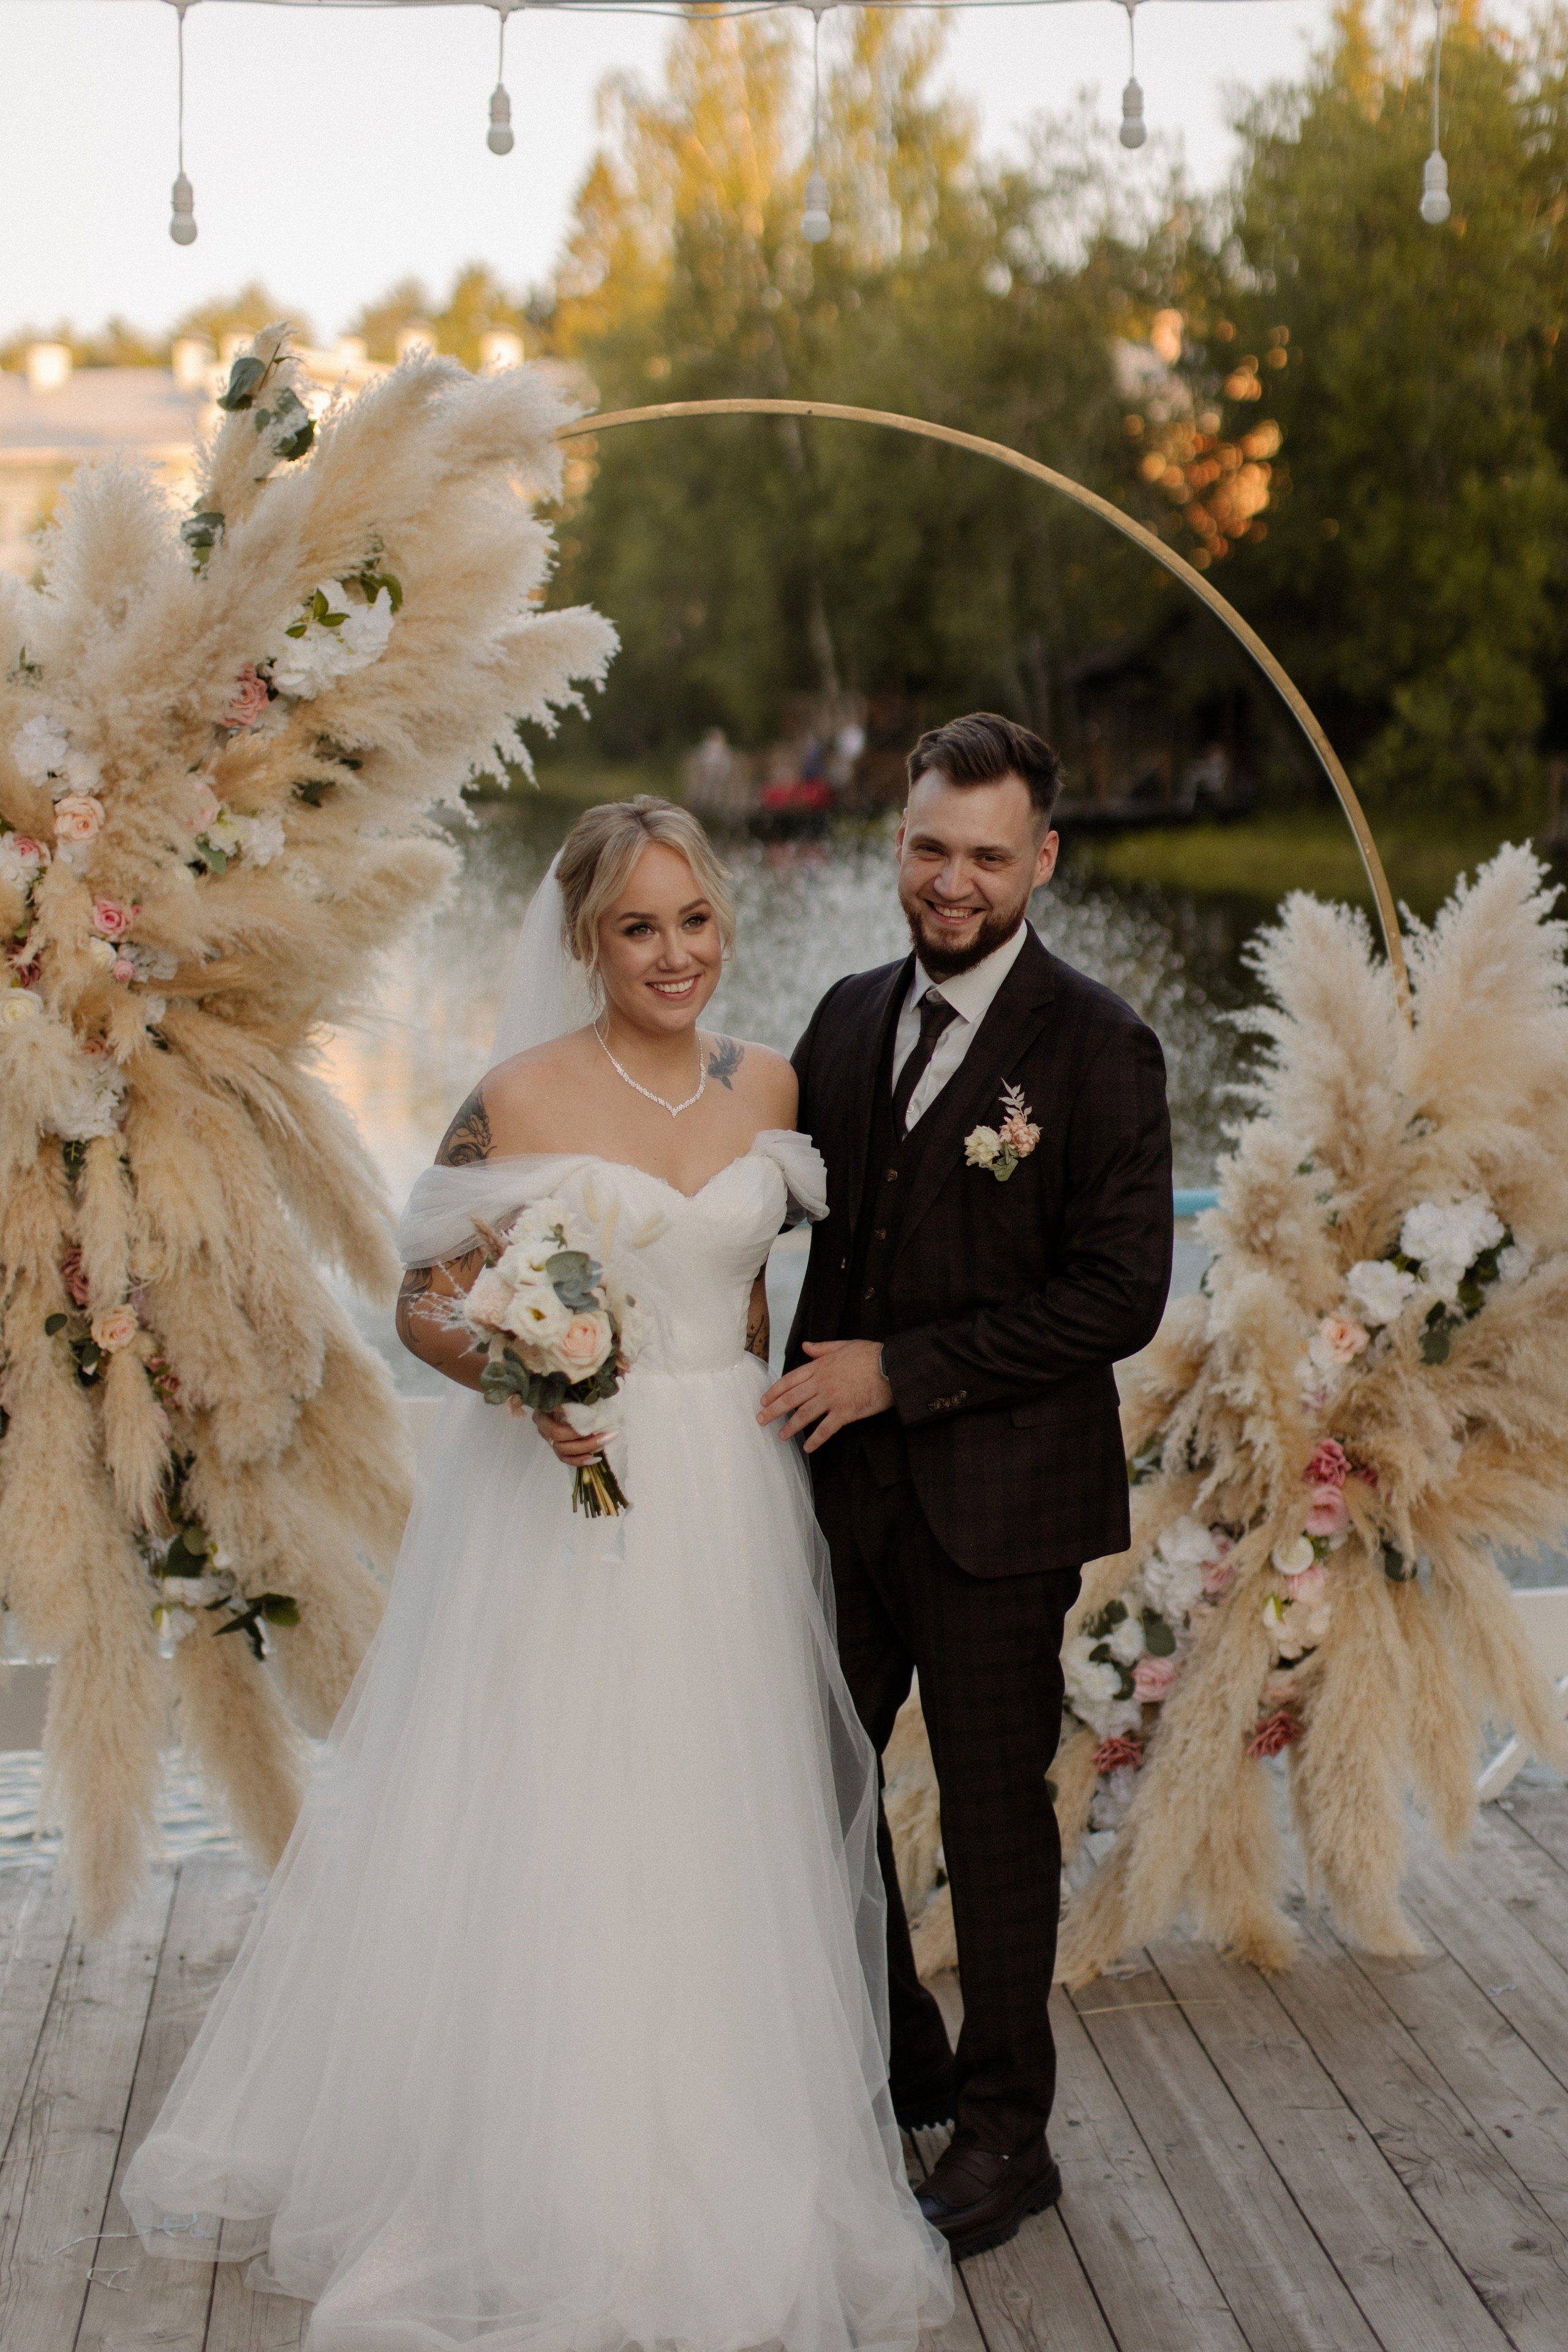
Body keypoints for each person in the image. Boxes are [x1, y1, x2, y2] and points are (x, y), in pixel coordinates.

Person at [121, 798, 951, 2352]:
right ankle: (548, 2164)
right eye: (638, 927)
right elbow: (423, 1299)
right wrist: (528, 1382)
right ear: (583, 939)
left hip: (732, 1496)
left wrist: (767, 1427)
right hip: (577, 1502)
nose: (675, 954)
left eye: (695, 920)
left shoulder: (770, 1082)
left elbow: (755, 1295)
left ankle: (732, 2130)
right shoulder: (513, 1096)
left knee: (725, 1817)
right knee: (574, 1815)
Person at [760, 712, 1174, 2261]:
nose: (952, 881)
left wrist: (899, 1370)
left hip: (997, 1507)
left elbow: (1115, 1296)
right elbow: (777, 1219)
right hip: (832, 1490)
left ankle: (1007, 2135)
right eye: (929, 847)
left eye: (986, 856)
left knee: (996, 1818)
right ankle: (898, 2057)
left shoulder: (1098, 1045)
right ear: (899, 842)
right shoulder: (845, 1011)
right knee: (814, 1777)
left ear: (1041, 860)